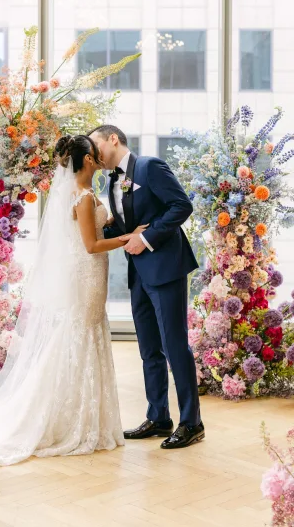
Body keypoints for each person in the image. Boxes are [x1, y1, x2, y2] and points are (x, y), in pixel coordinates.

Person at [0, 134, 147, 467]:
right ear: (86, 160)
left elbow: (88, 230)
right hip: (87, 273)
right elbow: (91, 246)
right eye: (95, 154)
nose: (100, 158)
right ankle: (70, 418)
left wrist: (111, 221)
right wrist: (131, 236)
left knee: (84, 332)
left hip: (89, 274)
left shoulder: (81, 195)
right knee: (81, 333)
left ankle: (86, 415)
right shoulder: (82, 197)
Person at [89, 125, 204, 449]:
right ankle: (158, 417)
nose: (94, 153)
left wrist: (148, 237)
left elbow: (181, 205)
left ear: (113, 139)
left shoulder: (149, 166)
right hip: (138, 273)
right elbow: (129, 220)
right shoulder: (111, 180)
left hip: (165, 268)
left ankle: (192, 422)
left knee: (174, 345)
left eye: (96, 143)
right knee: (149, 348)